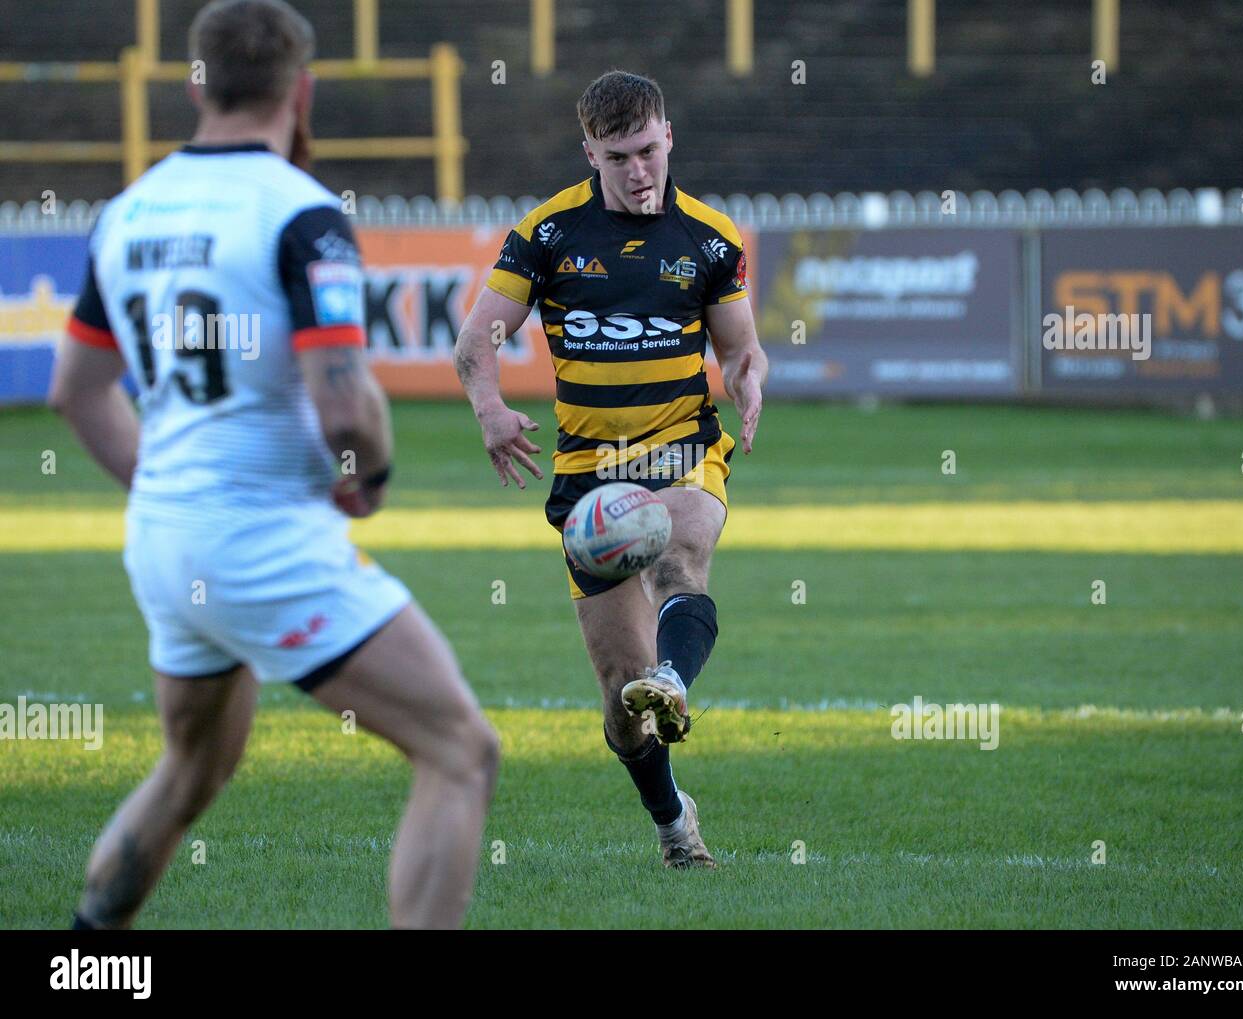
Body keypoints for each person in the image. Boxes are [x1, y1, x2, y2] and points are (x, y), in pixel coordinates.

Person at [48, 0, 497, 930]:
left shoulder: (129, 211)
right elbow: (345, 404)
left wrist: (175, 492)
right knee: (459, 748)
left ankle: (84, 957)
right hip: (261, 540)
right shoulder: (302, 213)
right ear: (304, 91)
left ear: (192, 86)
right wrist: (366, 475)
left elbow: (78, 392)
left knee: (192, 768)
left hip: (167, 540)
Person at [454, 70, 767, 869]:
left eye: (651, 150)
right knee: (620, 697)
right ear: (589, 150)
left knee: (682, 547)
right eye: (620, 155)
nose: (639, 171)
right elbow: (476, 340)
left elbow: (739, 347)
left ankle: (675, 676)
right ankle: (672, 816)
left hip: (681, 444)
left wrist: (748, 381)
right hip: (589, 470)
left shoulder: (709, 237)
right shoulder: (548, 234)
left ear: (670, 138)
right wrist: (490, 410)